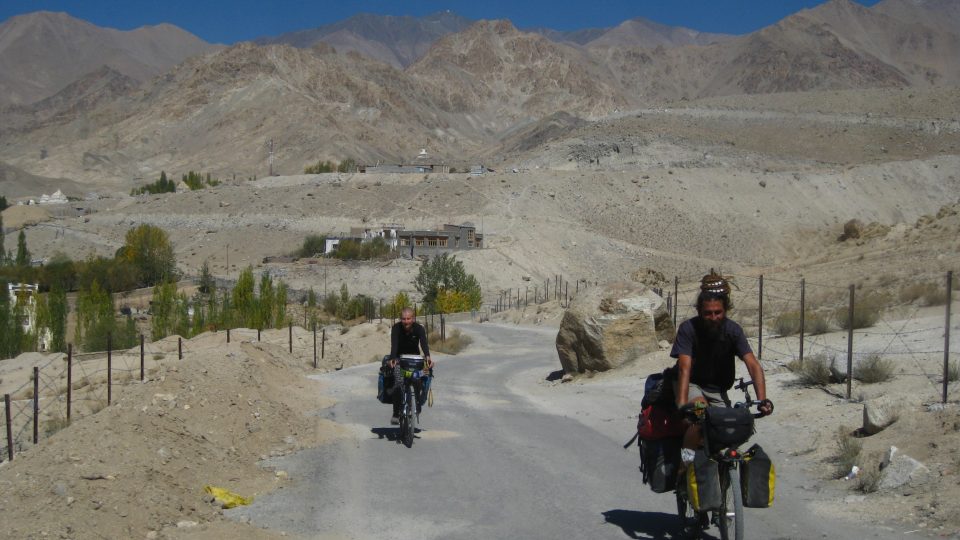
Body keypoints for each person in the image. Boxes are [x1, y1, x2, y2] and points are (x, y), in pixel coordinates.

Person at [671, 271, 773, 452]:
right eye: (707, 313)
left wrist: (762, 400)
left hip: (717, 389)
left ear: (725, 310)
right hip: (692, 384)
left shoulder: (733, 331)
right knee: (700, 415)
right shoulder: (689, 329)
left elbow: (753, 365)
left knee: (730, 428)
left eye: (718, 312)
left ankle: (719, 470)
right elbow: (684, 369)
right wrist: (681, 403)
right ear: (699, 311)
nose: (713, 317)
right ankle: (684, 466)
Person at [388, 307, 433, 425]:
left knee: (419, 379)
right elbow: (394, 345)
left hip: (415, 359)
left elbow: (424, 344)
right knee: (398, 382)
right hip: (399, 359)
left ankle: (418, 403)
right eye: (404, 319)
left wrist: (427, 357)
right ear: (400, 319)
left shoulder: (419, 329)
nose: (406, 321)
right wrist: (393, 358)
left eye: (408, 318)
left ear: (413, 318)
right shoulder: (396, 328)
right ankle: (396, 413)